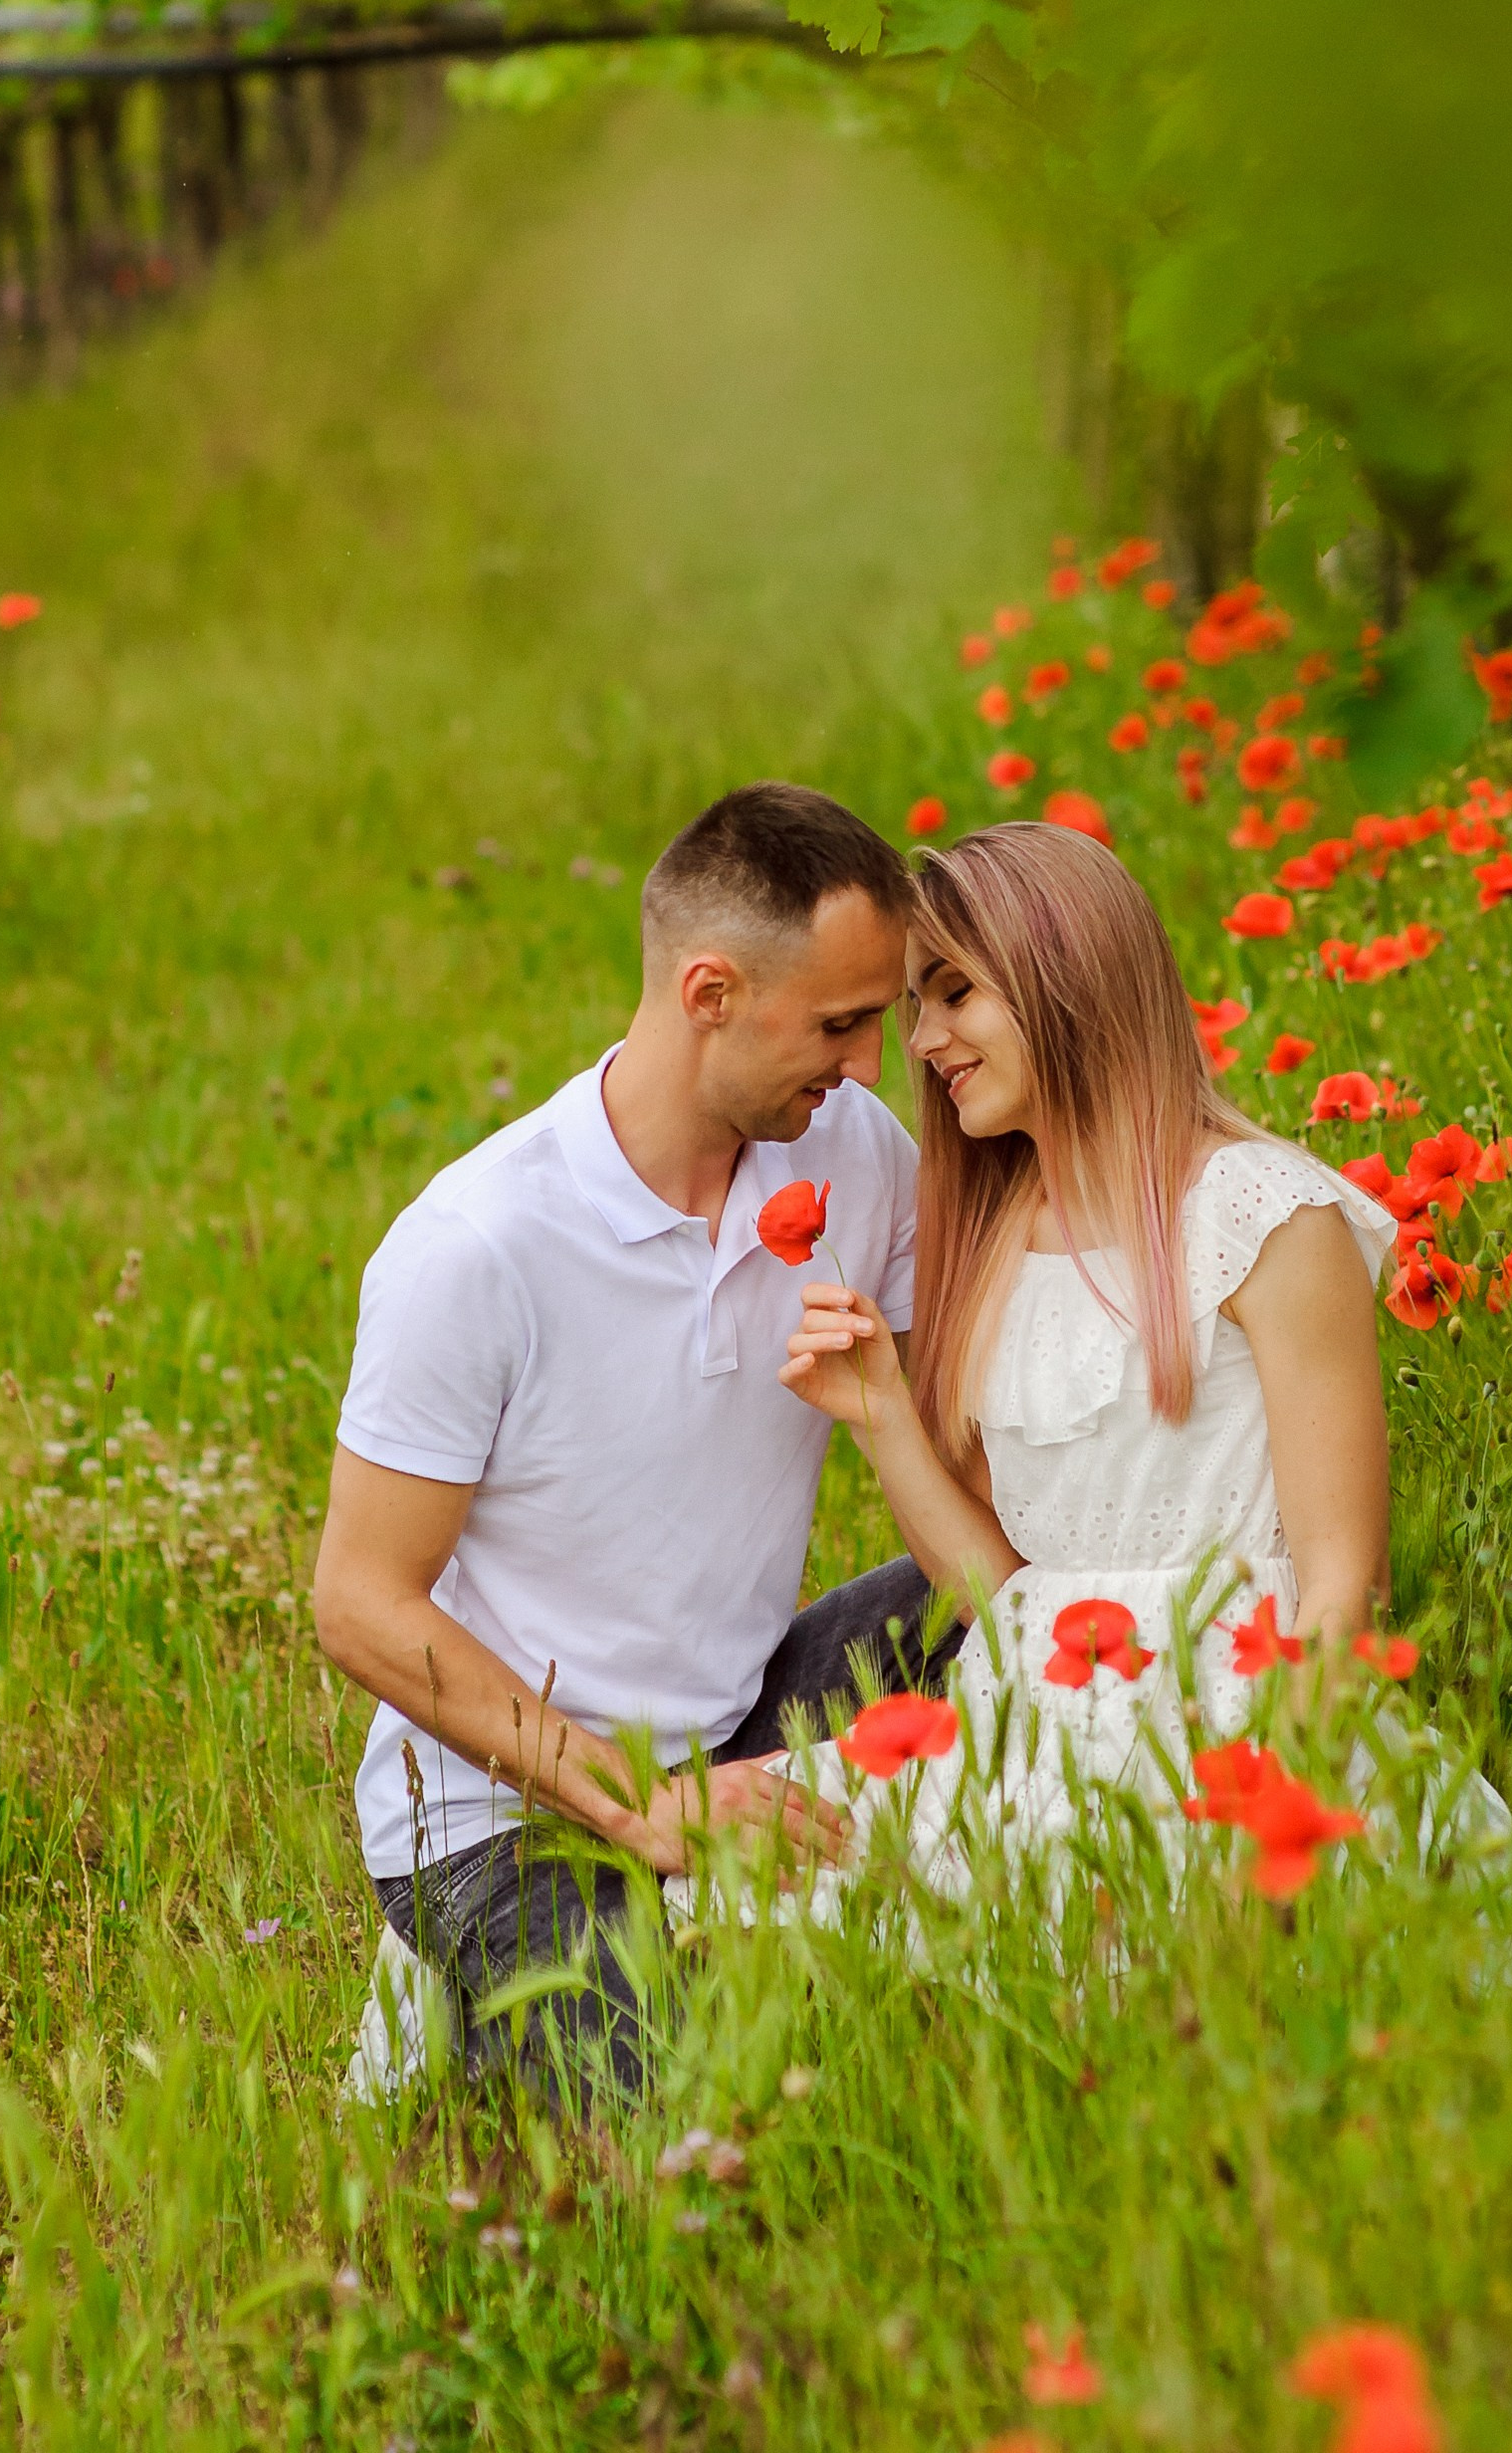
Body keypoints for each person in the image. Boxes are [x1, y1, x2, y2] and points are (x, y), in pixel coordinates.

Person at [313, 781, 958, 2101]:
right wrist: (638, 1808)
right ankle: (460, 1987)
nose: (865, 1062)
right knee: (699, 2124)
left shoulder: (857, 1152)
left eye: (875, 1021)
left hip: (738, 1712)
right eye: (838, 1023)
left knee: (1038, 1603)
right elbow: (358, 1601)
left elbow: (954, 1430)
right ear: (708, 989)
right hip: (508, 1805)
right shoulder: (478, 1246)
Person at [777, 817, 1422, 1896]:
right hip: (1032, 1718)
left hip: (1240, 1726)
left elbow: (1347, 1584)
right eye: (914, 1007)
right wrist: (884, 1417)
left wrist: (1267, 1818)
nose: (924, 1042)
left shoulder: (1260, 1216)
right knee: (753, 1893)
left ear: (1061, 977)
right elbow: (1012, 1595)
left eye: (954, 993)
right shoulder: (990, 1245)